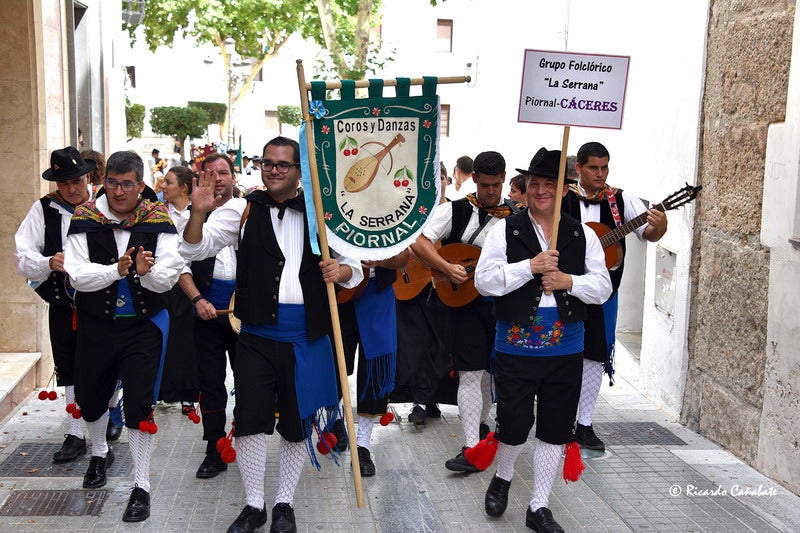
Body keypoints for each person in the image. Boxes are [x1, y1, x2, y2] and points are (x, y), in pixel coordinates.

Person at [180, 136, 364, 533]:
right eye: (268, 163)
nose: (274, 169)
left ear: (299, 171)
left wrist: (342, 272)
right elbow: (195, 250)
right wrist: (198, 212)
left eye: (283, 164)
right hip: (256, 336)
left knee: (297, 424)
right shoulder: (242, 208)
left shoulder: (322, 214)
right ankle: (253, 505)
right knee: (248, 420)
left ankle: (284, 503)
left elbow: (356, 267)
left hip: (306, 336)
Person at [474, 147, 612, 532]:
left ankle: (539, 506)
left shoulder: (582, 234)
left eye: (549, 184)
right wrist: (528, 267)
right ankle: (503, 475)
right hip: (515, 346)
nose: (539, 190)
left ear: (565, 189)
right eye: (534, 183)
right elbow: (484, 280)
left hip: (566, 348)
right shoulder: (505, 229)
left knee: (555, 426)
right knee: (514, 422)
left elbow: (601, 288)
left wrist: (570, 282)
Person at [63, 150, 183, 523]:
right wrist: (116, 271)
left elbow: (171, 273)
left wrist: (146, 274)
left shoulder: (157, 218)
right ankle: (99, 452)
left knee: (139, 401)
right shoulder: (86, 217)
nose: (118, 191)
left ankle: (141, 485)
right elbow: (77, 275)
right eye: (112, 183)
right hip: (97, 323)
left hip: (142, 326)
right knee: (91, 395)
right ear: (104, 182)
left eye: (127, 184)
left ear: (141, 185)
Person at [411, 151, 519, 472]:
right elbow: (419, 240)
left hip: (502, 306)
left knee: (491, 374)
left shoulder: (515, 218)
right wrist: (445, 266)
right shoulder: (454, 210)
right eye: (485, 185)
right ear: (474, 179)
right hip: (463, 305)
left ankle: (481, 425)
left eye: (497, 185)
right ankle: (471, 447)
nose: (491, 192)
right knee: (471, 373)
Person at [562, 142, 667, 452]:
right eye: (593, 168)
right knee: (564, 355)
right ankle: (561, 419)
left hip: (602, 293)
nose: (600, 174)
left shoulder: (620, 200)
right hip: (564, 289)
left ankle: (584, 424)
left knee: (595, 355)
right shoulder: (561, 198)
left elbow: (647, 233)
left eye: (604, 167)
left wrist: (660, 226)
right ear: (578, 168)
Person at [14, 146, 94, 464]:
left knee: (109, 363)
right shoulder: (43, 210)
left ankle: (110, 416)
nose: (71, 188)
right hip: (65, 305)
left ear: (86, 177)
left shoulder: (104, 207)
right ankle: (75, 433)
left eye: (76, 180)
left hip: (107, 304)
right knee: (69, 368)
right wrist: (50, 261)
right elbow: (22, 255)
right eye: (64, 183)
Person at [178, 154, 240, 480]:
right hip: (207, 314)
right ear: (200, 179)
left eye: (223, 172)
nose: (217, 178)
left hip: (245, 316)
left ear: (234, 177)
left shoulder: (249, 213)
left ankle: (245, 441)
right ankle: (214, 448)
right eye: (210, 173)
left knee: (249, 381)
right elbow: (181, 265)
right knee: (211, 383)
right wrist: (198, 299)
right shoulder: (189, 219)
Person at [335, 252, 408, 476]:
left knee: (374, 371)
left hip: (377, 290)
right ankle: (335, 421)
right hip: (337, 291)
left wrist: (381, 261)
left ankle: (363, 445)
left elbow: (404, 257)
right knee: (333, 365)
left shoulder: (388, 216)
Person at [158, 166, 200, 413]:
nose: (163, 187)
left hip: (189, 283)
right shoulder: (160, 213)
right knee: (167, 338)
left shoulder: (197, 213)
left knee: (186, 340)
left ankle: (188, 392)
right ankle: (165, 389)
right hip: (163, 282)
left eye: (169, 183)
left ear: (183, 188)